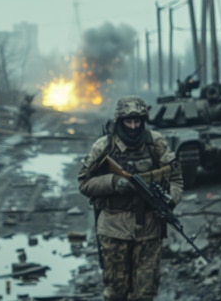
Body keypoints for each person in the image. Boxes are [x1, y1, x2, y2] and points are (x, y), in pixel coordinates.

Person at [77, 95, 183, 301]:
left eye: (138, 122)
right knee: (116, 292)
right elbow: (84, 183)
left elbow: (176, 179)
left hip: (149, 230)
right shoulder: (104, 146)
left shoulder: (156, 143)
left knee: (145, 293)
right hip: (114, 229)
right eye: (129, 121)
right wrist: (114, 183)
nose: (134, 127)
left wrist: (170, 201)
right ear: (120, 121)